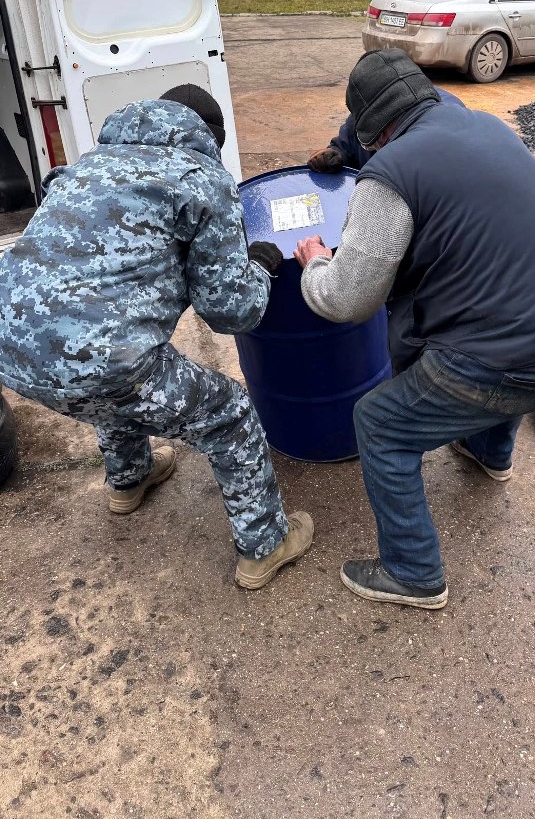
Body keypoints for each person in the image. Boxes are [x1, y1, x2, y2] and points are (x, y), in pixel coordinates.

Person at [295, 49, 535, 610]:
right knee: (489, 331)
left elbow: (348, 300)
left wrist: (314, 261)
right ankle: (490, 454)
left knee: (380, 422)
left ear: (373, 131)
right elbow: (371, 130)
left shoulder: (389, 176)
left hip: (518, 354)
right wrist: (343, 146)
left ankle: (412, 572)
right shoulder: (478, 122)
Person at [0, 85, 313, 590]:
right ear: (211, 137)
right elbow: (231, 312)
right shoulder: (201, 179)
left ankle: (129, 478)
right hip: (100, 359)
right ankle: (266, 543)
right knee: (226, 412)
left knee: (115, 361)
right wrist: (258, 266)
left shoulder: (89, 165)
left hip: (11, 350)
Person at [308, 89, 535, 432]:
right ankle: (497, 433)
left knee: (499, 311)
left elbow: (347, 300)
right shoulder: (372, 113)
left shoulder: (455, 131)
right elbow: (352, 141)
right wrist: (338, 152)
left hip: (532, 287)